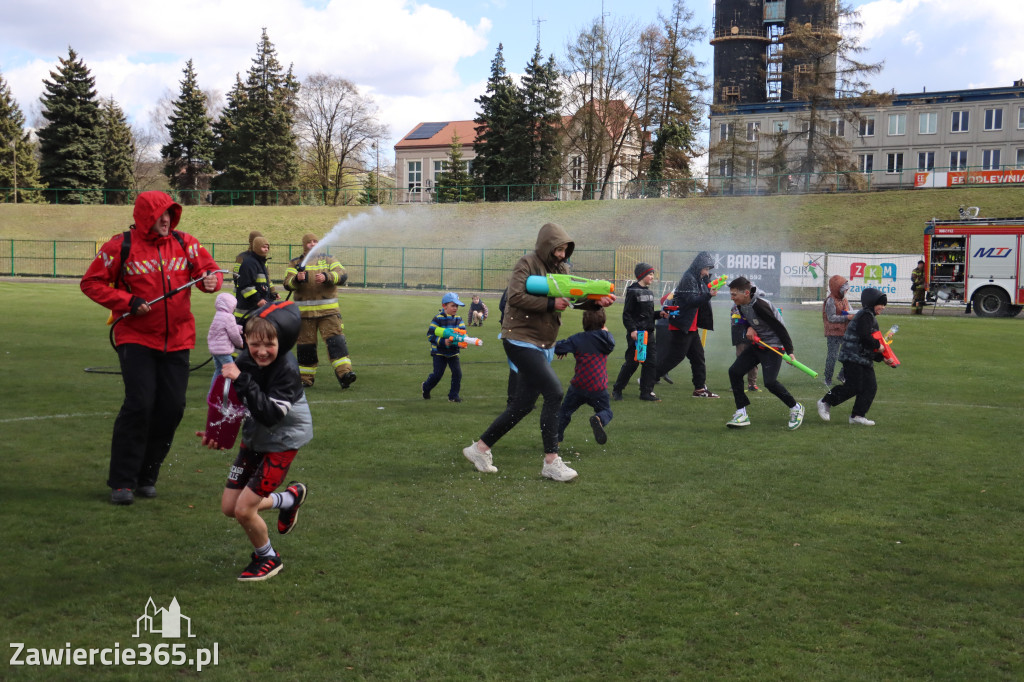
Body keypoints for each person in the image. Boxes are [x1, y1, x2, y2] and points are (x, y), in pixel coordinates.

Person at [80, 190, 222, 505]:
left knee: (172, 409)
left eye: (170, 213)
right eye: (161, 214)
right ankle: (122, 482)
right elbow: (91, 282)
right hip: (136, 338)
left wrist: (210, 281)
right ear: (146, 217)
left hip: (179, 340)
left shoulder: (186, 243)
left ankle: (147, 476)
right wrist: (127, 301)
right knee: (139, 405)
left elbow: (208, 272)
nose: (167, 219)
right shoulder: (120, 246)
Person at [461, 222, 615, 482]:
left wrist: (594, 301)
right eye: (558, 249)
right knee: (554, 392)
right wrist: (549, 303)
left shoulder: (562, 269)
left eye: (565, 250)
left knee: (522, 405)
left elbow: (571, 298)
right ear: (547, 246)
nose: (561, 255)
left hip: (544, 343)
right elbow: (514, 297)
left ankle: (480, 449)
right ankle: (551, 462)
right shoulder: (526, 263)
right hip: (519, 339)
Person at [199, 301, 313, 581]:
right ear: (246, 341)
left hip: (283, 440)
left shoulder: (286, 369)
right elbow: (233, 401)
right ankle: (288, 499)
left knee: (244, 509)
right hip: (256, 436)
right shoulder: (245, 361)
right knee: (230, 507)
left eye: (269, 344)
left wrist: (243, 380)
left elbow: (271, 414)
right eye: (254, 343)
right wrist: (217, 432)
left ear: (282, 341)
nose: (261, 351)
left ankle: (268, 558)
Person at [725, 277, 805, 430]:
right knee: (734, 372)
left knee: (770, 383)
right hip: (758, 344)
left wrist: (790, 352)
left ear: (746, 293)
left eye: (734, 294)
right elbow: (747, 321)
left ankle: (796, 408)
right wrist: (749, 327)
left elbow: (780, 328)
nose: (732, 297)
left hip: (774, 346)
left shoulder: (760, 305)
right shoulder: (742, 305)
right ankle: (741, 413)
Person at [282, 233, 356, 389]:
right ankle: (305, 379)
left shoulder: (329, 259)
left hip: (328, 313)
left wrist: (327, 276)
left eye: (315, 241)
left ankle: (345, 374)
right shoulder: (295, 263)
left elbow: (342, 275)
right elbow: (287, 283)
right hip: (305, 315)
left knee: (336, 343)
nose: (313, 244)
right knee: (305, 347)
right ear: (304, 245)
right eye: (309, 242)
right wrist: (297, 279)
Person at [817, 287, 890, 426]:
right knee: (854, 386)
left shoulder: (869, 317)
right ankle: (825, 401)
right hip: (852, 357)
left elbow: (867, 343)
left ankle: (857, 416)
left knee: (870, 387)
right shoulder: (865, 316)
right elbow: (865, 337)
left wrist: (882, 357)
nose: (883, 307)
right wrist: (878, 346)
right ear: (872, 302)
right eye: (881, 304)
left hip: (863, 358)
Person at [656, 251, 720, 398]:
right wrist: (709, 294)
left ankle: (700, 389)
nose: (707, 272)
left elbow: (703, 292)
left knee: (698, 357)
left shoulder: (696, 277)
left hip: (690, 325)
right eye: (706, 269)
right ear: (699, 266)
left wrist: (709, 285)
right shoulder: (688, 277)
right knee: (675, 357)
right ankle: (648, 378)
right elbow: (691, 301)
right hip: (682, 324)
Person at [555, 308, 615, 445]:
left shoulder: (578, 339)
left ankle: (555, 440)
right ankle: (599, 418)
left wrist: (564, 349)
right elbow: (610, 341)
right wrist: (604, 330)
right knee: (606, 411)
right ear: (603, 323)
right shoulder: (606, 339)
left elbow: (558, 348)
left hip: (579, 384)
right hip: (598, 385)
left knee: (564, 412)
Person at [611, 262, 661, 402]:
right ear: (642, 275)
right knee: (632, 363)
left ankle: (646, 392)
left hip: (649, 334)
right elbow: (627, 314)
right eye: (650, 274)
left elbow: (648, 314)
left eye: (652, 274)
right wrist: (632, 330)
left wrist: (660, 314)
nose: (652, 277)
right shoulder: (633, 291)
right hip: (638, 335)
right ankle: (617, 389)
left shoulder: (649, 292)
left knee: (650, 363)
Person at [422, 292, 467, 403]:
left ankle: (453, 396)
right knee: (437, 374)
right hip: (439, 352)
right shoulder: (437, 319)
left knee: (457, 373)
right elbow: (430, 335)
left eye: (457, 306)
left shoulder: (459, 319)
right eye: (453, 305)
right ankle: (426, 387)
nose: (455, 308)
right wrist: (443, 342)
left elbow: (462, 335)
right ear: (444, 306)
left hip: (453, 352)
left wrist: (462, 342)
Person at [234, 236, 278, 325]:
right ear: (257, 248)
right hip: (247, 311)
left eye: (267, 247)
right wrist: (258, 300)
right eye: (263, 247)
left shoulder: (261, 263)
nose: (266, 249)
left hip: (256, 309)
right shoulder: (249, 263)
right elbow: (245, 286)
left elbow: (262, 284)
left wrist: (271, 294)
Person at [207, 292, 244, 392]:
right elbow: (234, 335)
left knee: (219, 371)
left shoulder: (218, 315)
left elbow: (224, 329)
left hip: (216, 350)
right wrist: (240, 343)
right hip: (224, 351)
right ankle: (233, 392)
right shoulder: (229, 317)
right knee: (232, 371)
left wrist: (238, 328)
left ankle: (213, 391)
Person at [822, 274, 853, 387]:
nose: (846, 291)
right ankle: (827, 379)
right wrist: (847, 317)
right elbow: (831, 318)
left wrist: (853, 314)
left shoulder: (844, 300)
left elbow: (850, 311)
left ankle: (842, 375)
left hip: (845, 332)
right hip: (833, 332)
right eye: (844, 289)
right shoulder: (830, 300)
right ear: (837, 289)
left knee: (849, 354)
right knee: (833, 356)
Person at [730, 302, 760, 392]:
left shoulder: (753, 304)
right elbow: (736, 319)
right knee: (741, 359)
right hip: (740, 333)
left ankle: (752, 384)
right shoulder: (737, 305)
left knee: (753, 358)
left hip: (752, 333)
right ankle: (737, 384)